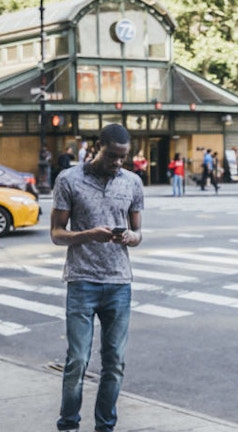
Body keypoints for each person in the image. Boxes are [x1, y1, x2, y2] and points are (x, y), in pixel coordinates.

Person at [50, 123, 144, 432]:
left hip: (119, 283)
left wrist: (130, 237)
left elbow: (139, 232)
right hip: (82, 280)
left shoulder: (132, 182)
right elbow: (57, 234)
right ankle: (68, 425)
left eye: (123, 157)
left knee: (114, 363)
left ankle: (105, 426)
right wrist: (90, 234)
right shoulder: (69, 179)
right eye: (112, 156)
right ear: (97, 147)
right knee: (77, 360)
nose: (118, 163)